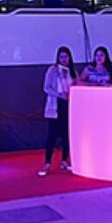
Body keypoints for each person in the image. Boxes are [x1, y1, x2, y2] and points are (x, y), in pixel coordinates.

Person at [38, 46, 77, 177]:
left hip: (68, 106)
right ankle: (47, 162)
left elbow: (76, 86)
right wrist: (59, 94)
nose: (64, 59)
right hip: (55, 106)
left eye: (66, 57)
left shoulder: (73, 71)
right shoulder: (52, 70)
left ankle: (64, 160)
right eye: (61, 57)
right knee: (52, 135)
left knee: (66, 135)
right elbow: (46, 87)